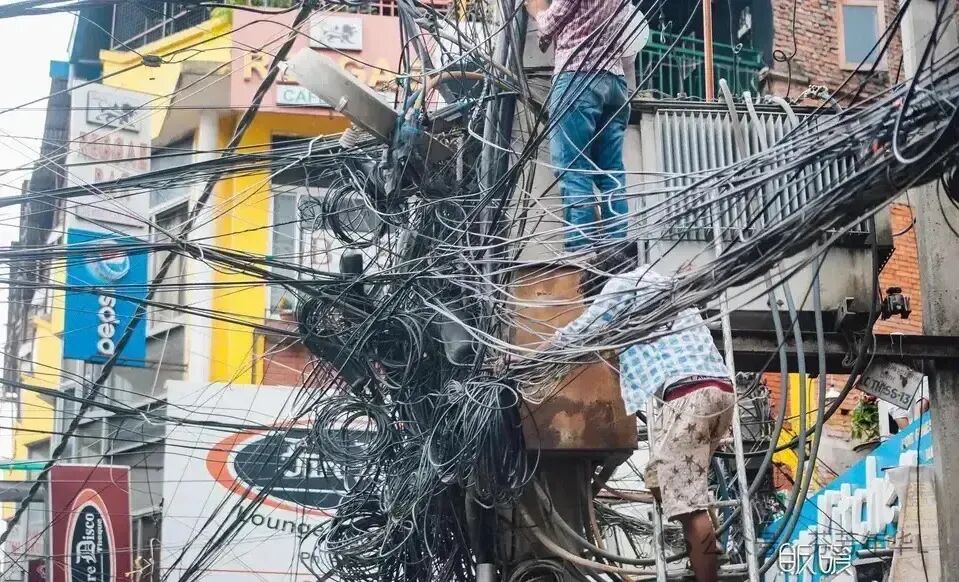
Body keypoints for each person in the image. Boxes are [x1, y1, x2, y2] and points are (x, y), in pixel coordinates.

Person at [514, 247, 734, 582]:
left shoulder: (620, 286)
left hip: (688, 396)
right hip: (719, 393)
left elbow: (578, 335)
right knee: (660, 478)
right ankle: (708, 547)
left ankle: (707, 567)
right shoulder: (662, 284)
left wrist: (524, 362)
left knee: (688, 506)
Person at [524, 0, 631, 251]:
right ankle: (616, 250)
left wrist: (536, 9)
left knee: (573, 169)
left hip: (578, 77)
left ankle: (580, 254)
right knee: (611, 172)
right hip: (615, 83)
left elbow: (549, 24)